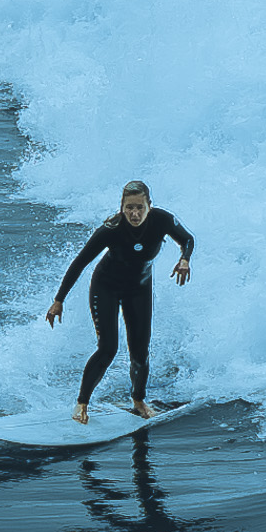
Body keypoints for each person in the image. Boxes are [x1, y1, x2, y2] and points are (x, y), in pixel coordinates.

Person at [46, 181, 193, 423]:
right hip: (106, 288)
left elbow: (188, 240)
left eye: (140, 208)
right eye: (129, 208)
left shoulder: (163, 220)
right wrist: (58, 300)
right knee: (108, 349)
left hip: (139, 289)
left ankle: (138, 400)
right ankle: (82, 403)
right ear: (122, 207)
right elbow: (79, 263)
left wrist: (185, 259)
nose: (134, 214)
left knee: (140, 351)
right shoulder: (111, 229)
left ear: (149, 206)